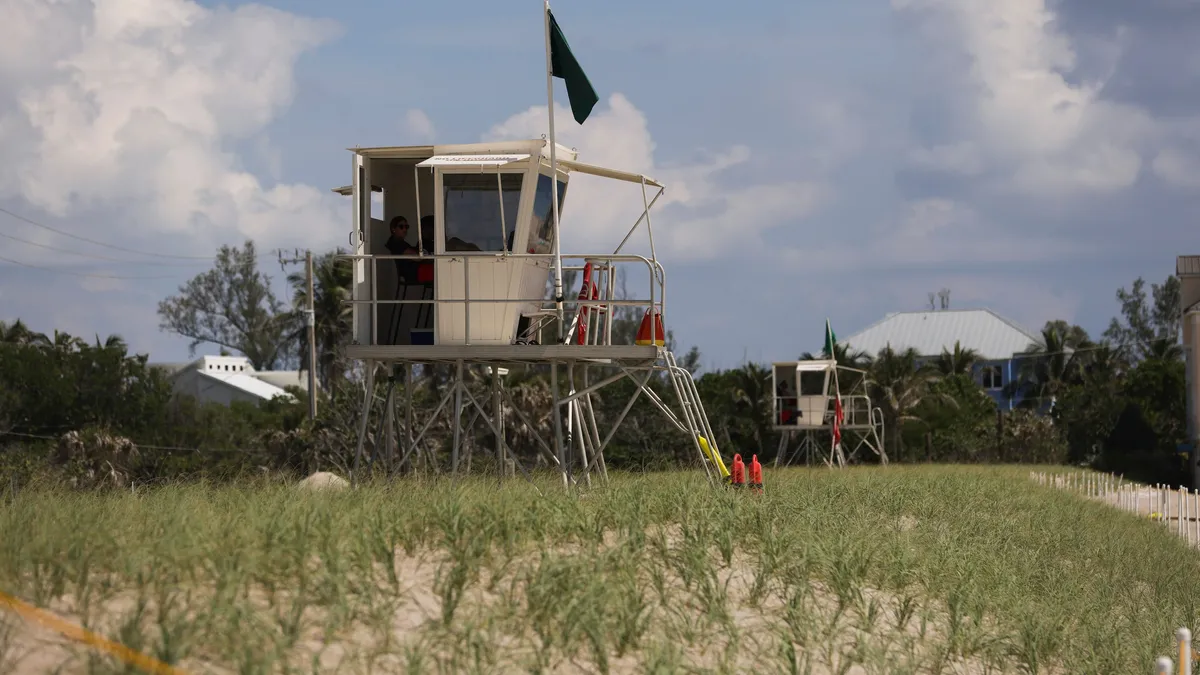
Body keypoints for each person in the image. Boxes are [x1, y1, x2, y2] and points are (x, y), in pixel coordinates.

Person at [385, 216, 419, 283]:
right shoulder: (396, 243)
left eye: (406, 227)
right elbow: (418, 257)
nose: (405, 229)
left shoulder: (398, 242)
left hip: (414, 271)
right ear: (393, 229)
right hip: (411, 273)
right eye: (401, 227)